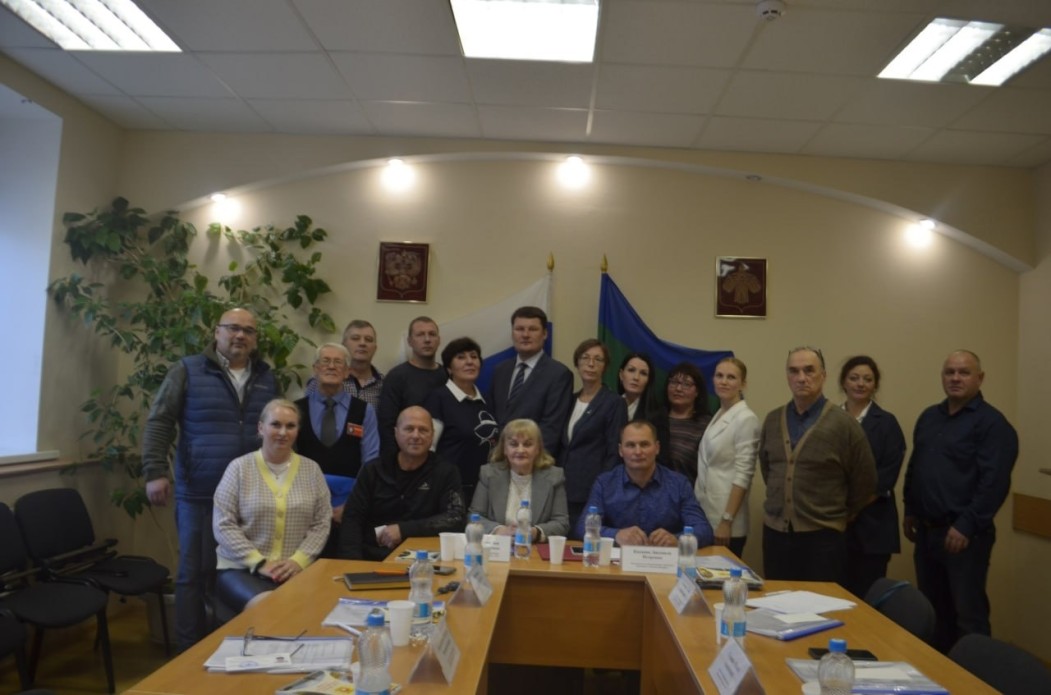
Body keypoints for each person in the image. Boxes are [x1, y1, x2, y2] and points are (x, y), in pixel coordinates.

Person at [141, 307, 279, 651]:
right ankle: (187, 652)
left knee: (237, 573)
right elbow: (160, 421)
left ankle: (230, 648)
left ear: (255, 339)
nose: (240, 335)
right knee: (192, 574)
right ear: (216, 332)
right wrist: (155, 472)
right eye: (232, 328)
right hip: (199, 494)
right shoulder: (188, 370)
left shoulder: (266, 377)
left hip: (250, 496)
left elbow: (277, 430)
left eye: (248, 330)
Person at [902, 350, 1018, 652]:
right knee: (932, 613)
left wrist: (966, 525)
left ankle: (976, 676)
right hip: (927, 532)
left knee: (968, 616)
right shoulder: (930, 417)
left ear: (980, 378)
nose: (955, 378)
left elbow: (994, 483)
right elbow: (916, 466)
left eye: (964, 372)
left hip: (964, 536)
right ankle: (939, 673)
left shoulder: (992, 424)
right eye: (949, 372)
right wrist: (910, 509)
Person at [758, 346, 876, 584]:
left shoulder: (845, 425)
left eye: (809, 370)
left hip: (823, 538)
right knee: (778, 601)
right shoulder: (772, 420)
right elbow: (768, 469)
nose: (801, 378)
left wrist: (837, 513)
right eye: (794, 371)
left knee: (821, 604)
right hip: (776, 535)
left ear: (823, 375)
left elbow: (865, 481)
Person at [213, 399, 330, 612]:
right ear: (261, 428)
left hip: (296, 569)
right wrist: (259, 563)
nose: (283, 432)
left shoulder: (312, 470)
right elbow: (223, 524)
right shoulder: (239, 468)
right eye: (275, 424)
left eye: (290, 426)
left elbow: (321, 522)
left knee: (321, 609)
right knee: (270, 607)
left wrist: (299, 561)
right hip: (241, 569)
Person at [338, 406, 466, 561]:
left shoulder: (446, 472)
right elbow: (352, 519)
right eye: (409, 429)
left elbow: (455, 518)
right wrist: (352, 563)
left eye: (423, 430)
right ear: (396, 433)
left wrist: (404, 530)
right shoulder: (373, 470)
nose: (416, 436)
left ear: (432, 435)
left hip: (424, 560)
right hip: (372, 558)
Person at [294, 343, 379, 557]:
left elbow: (371, 463)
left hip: (349, 508)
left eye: (338, 362)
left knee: (346, 564)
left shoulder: (364, 410)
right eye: (325, 361)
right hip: (305, 508)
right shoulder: (295, 410)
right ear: (315, 368)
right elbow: (288, 461)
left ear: (347, 371)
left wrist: (350, 506)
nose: (331, 366)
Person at [577, 421, 712, 547]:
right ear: (620, 450)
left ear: (657, 448)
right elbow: (582, 527)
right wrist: (616, 535)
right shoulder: (605, 483)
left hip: (664, 560)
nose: (638, 452)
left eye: (644, 444)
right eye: (630, 445)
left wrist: (677, 539)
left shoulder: (679, 484)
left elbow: (704, 530)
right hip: (619, 560)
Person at [839, 355, 906, 599]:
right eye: (854, 378)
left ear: (875, 385)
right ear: (843, 382)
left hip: (873, 527)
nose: (860, 384)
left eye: (867, 379)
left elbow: (885, 476)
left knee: (866, 598)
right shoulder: (829, 419)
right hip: (834, 526)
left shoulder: (887, 423)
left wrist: (852, 509)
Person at [559, 339, 628, 529]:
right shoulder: (568, 400)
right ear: (577, 363)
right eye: (585, 358)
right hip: (562, 488)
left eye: (598, 359)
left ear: (605, 367)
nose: (591, 364)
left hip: (590, 491)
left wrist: (601, 489)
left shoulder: (614, 403)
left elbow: (614, 452)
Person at [488, 306, 573, 458]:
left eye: (533, 329)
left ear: (545, 334)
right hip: (497, 459)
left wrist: (525, 461)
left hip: (532, 462)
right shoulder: (500, 370)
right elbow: (492, 417)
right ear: (512, 333)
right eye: (519, 329)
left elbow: (551, 428)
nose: (525, 335)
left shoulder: (559, 374)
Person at [695, 356, 759, 558]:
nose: (723, 381)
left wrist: (726, 520)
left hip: (726, 521)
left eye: (731, 377)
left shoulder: (746, 419)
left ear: (743, 384)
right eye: (719, 376)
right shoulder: (719, 414)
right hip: (706, 514)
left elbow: (744, 475)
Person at [424, 337, 498, 502]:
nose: (469, 362)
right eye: (461, 357)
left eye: (474, 356)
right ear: (449, 368)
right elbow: (428, 448)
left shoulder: (486, 400)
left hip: (485, 489)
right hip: (451, 489)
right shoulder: (439, 398)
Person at [470, 418, 570, 541]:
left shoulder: (554, 476)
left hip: (533, 547)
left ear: (538, 449)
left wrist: (535, 532)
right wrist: (500, 530)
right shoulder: (489, 474)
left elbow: (561, 523)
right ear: (504, 449)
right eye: (513, 444)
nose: (520, 450)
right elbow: (475, 517)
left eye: (527, 444)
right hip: (498, 546)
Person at [378, 317, 447, 454]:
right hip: (407, 457)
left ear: (439, 340)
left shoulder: (447, 375)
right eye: (420, 334)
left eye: (432, 334)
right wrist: (394, 460)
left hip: (443, 457)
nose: (427, 339)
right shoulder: (396, 377)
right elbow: (387, 425)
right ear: (409, 341)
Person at [652, 362, 712, 485]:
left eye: (686, 384)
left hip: (689, 491)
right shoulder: (655, 419)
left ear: (697, 391)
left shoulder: (706, 425)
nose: (678, 389)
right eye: (674, 382)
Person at [304, 319, 384, 407]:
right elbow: (308, 411)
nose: (362, 343)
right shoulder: (321, 380)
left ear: (375, 348)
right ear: (343, 345)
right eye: (355, 338)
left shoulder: (384, 384)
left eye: (368, 339)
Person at [618, 352, 657, 421]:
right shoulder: (608, 405)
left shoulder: (657, 414)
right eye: (631, 370)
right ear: (621, 375)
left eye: (643, 373)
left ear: (649, 380)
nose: (636, 377)